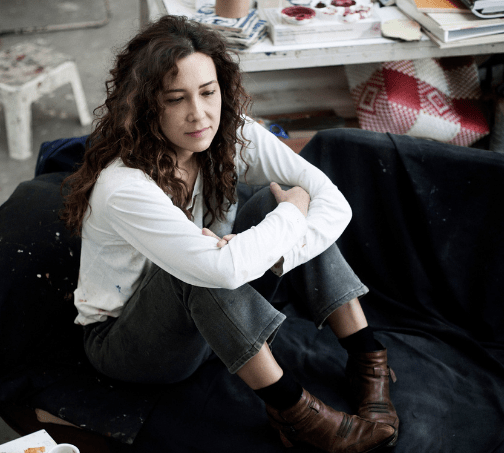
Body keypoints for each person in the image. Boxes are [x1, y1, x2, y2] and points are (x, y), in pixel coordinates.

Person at [61, 15, 398, 453]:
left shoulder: (229, 134)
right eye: (175, 99)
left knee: (274, 215)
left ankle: (366, 360)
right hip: (128, 345)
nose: (199, 114)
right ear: (146, 106)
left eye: (208, 92)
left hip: (213, 324)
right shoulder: (123, 186)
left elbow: (332, 200)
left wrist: (276, 246)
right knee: (209, 265)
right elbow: (221, 269)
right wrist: (284, 222)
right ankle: (296, 414)